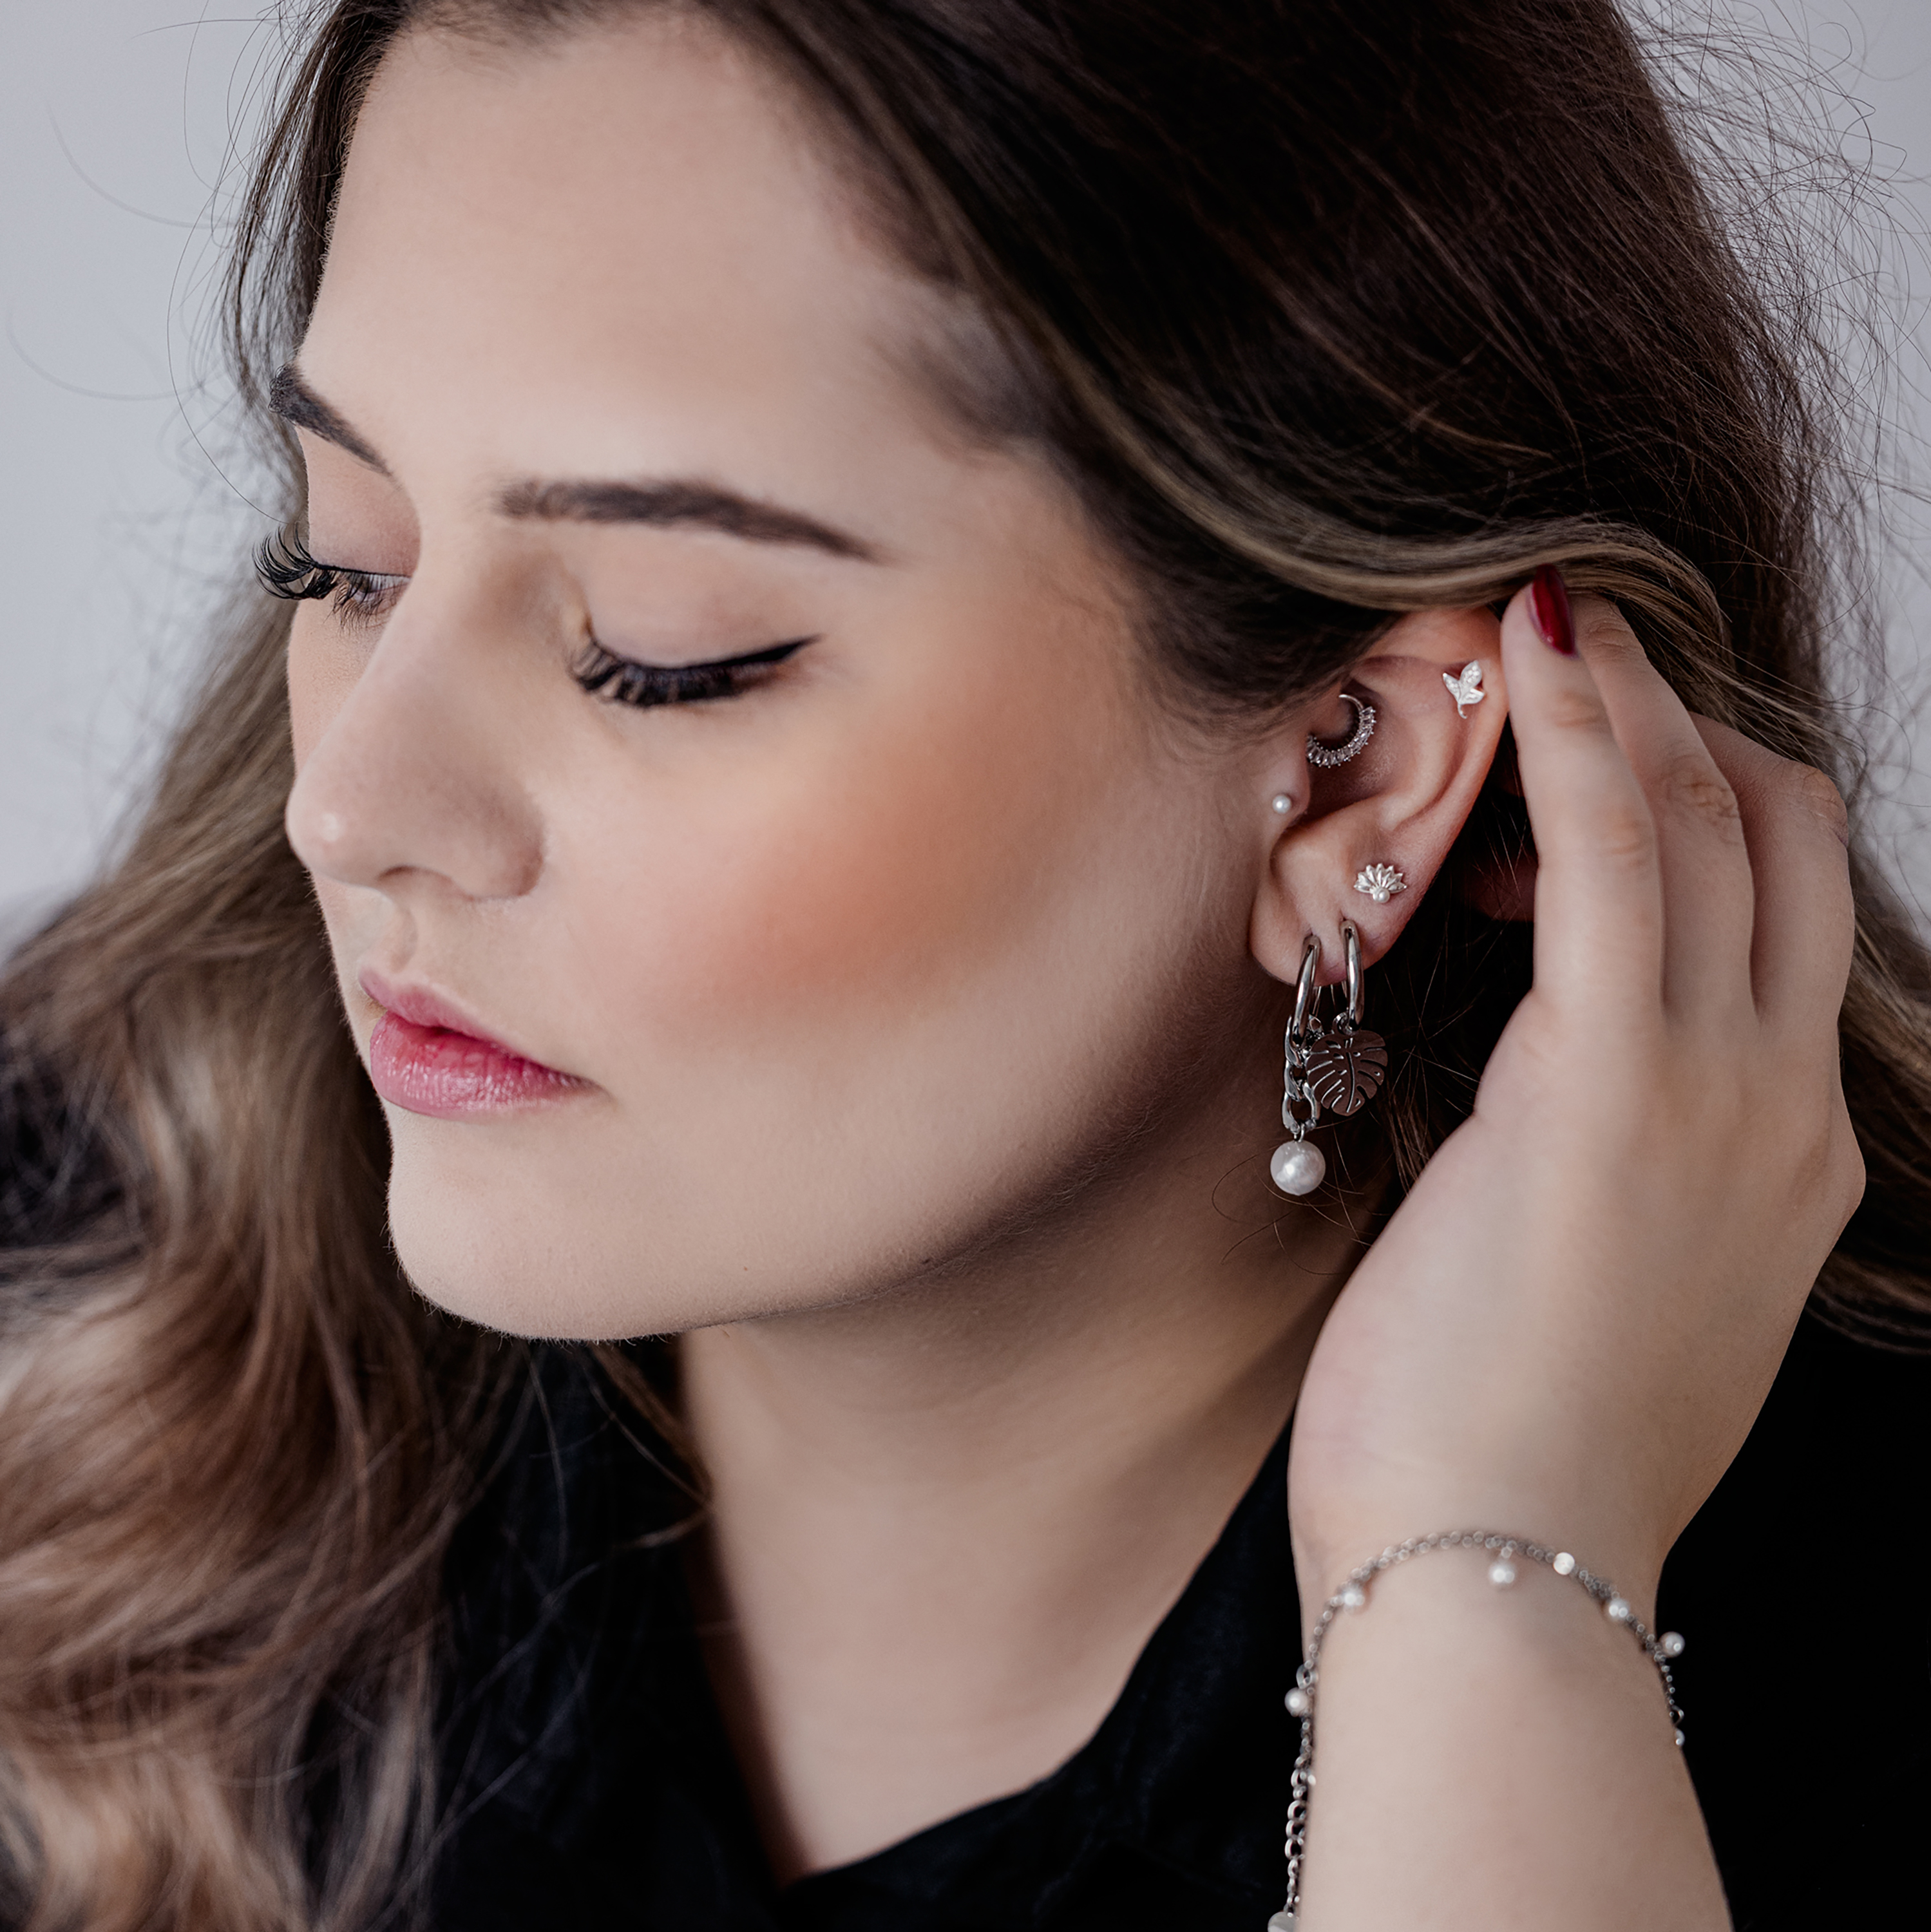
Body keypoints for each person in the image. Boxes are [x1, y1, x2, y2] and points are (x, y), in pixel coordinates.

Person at [3, 1, 1928, 1927]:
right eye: (346, 562)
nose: (347, 809)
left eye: (661, 655)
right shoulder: (69, 1263)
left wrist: (1495, 1580)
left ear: (1352, 771)